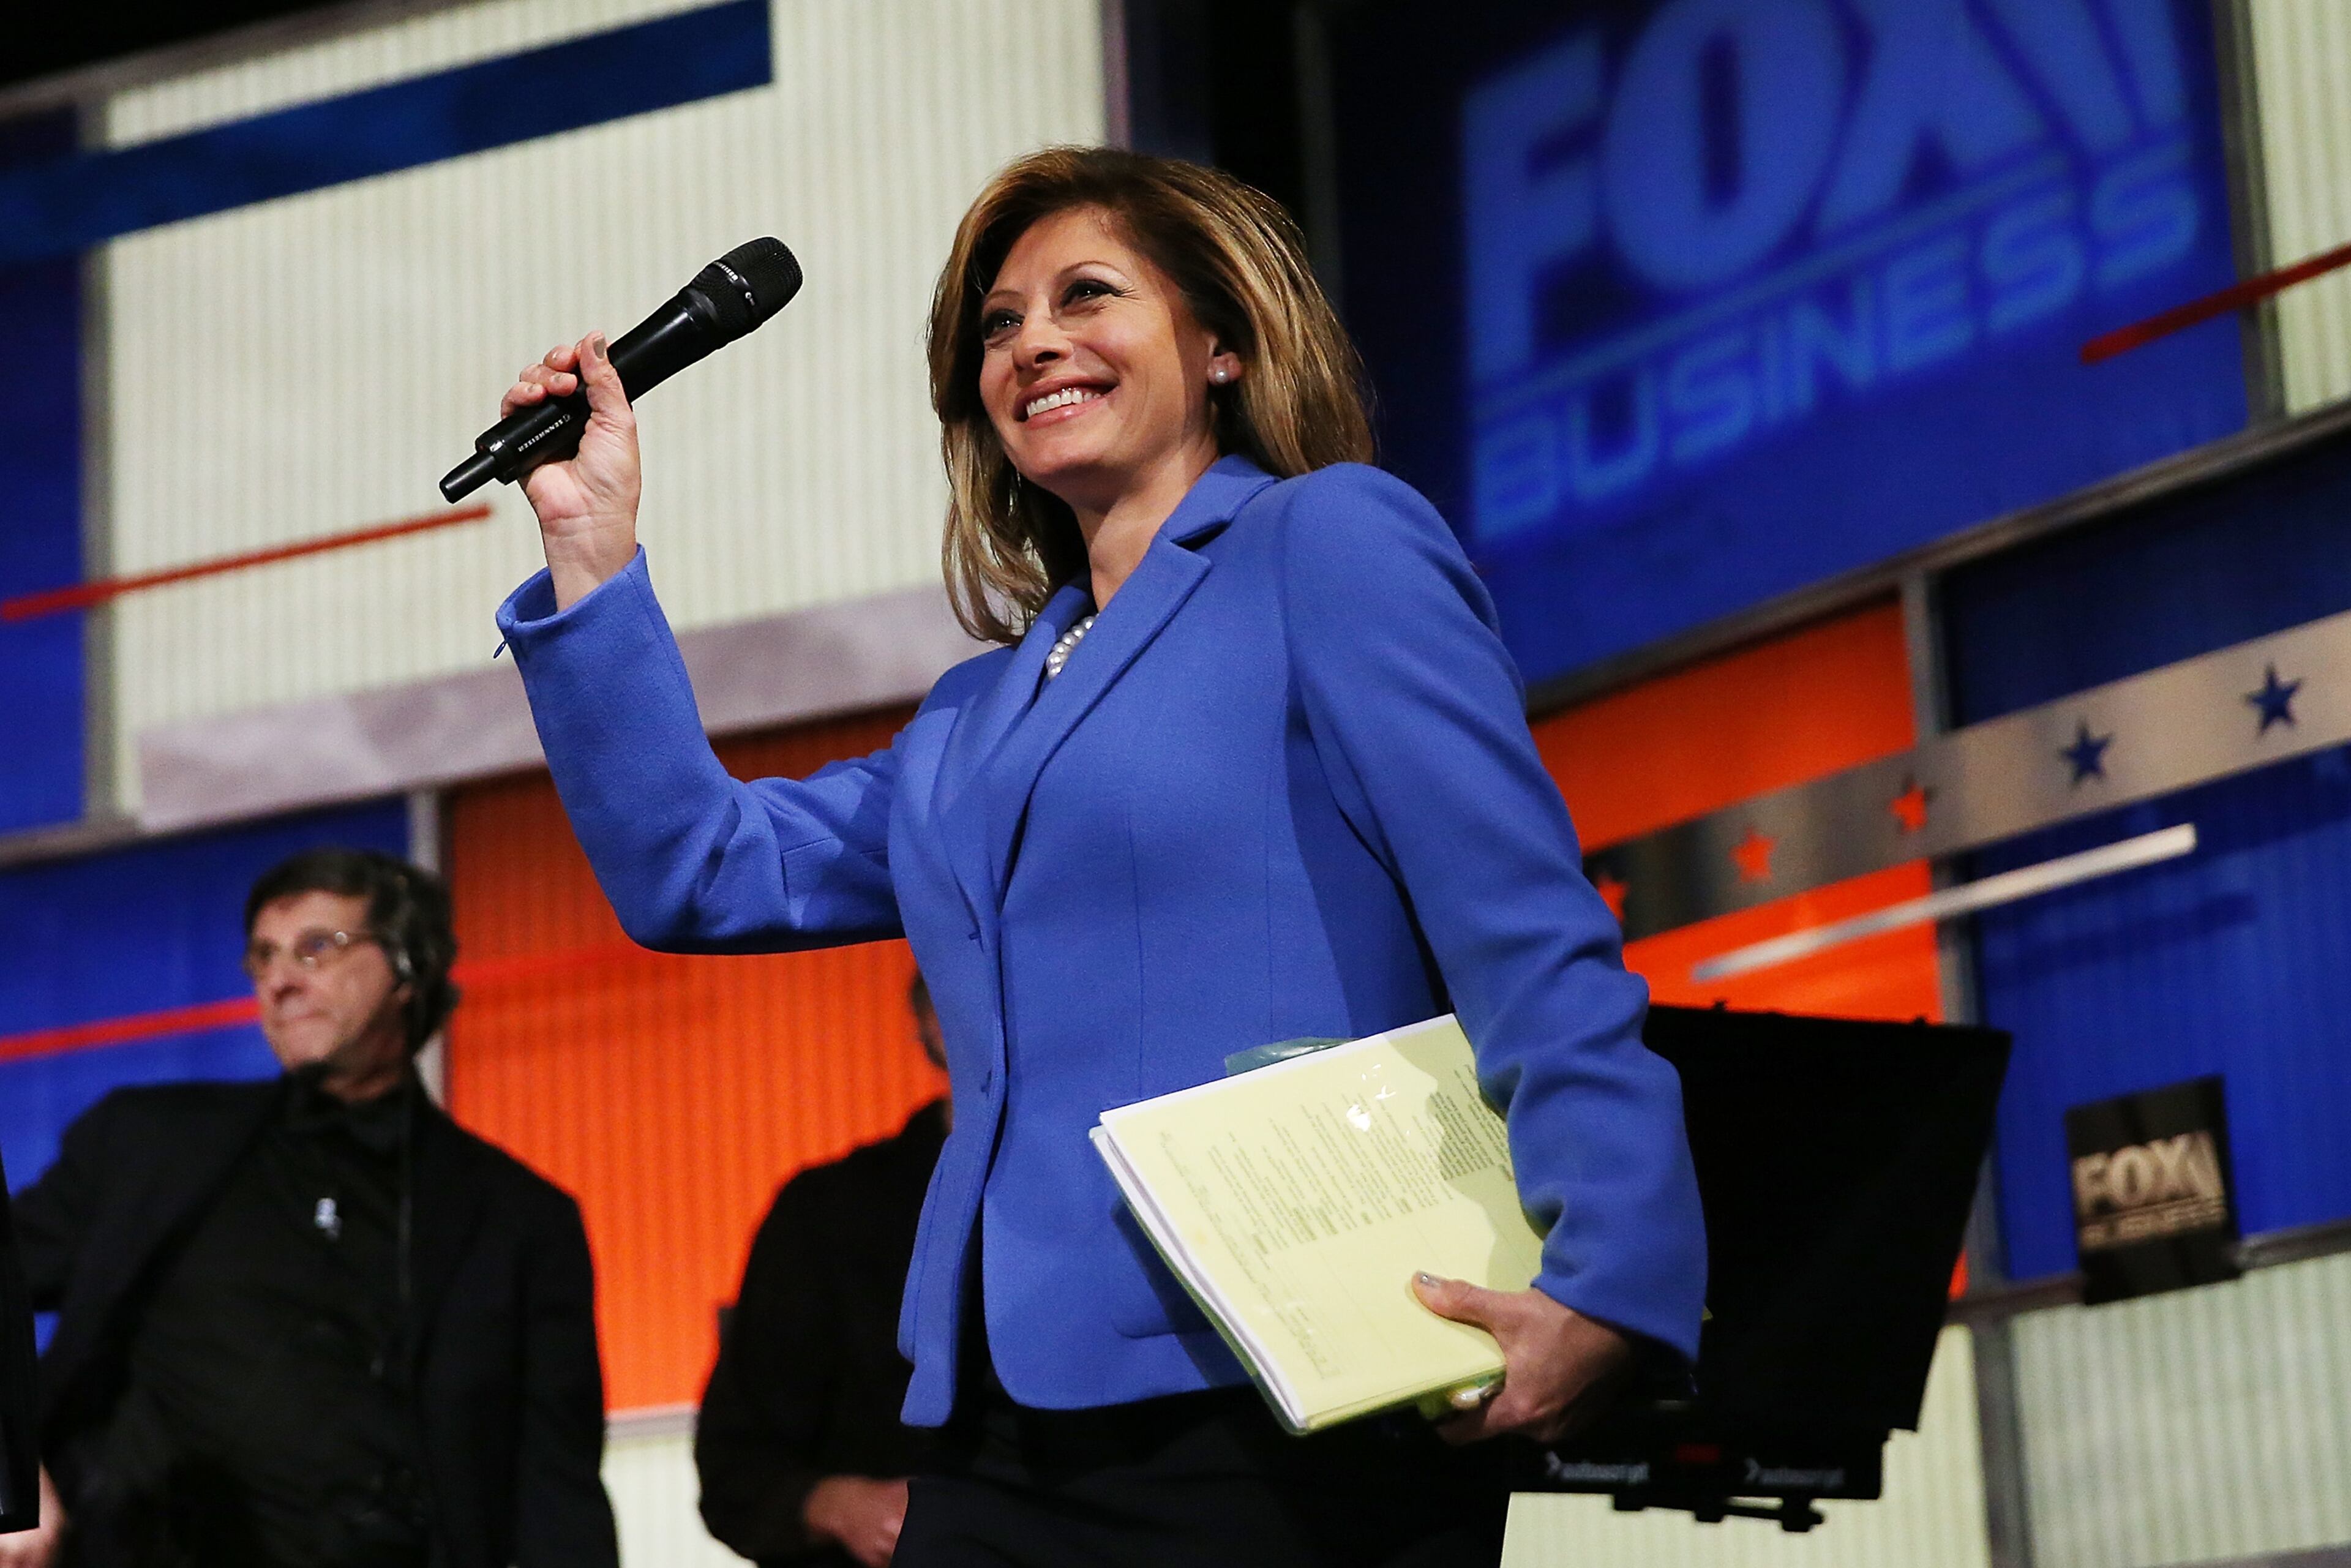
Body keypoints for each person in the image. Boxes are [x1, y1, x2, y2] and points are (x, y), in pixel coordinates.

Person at [491, 146, 1706, 1564]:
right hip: (996, 1425)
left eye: (1085, 296)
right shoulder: (974, 718)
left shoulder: (1325, 543)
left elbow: (1523, 922)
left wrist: (1608, 1268)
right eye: (999, 324)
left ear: (1221, 345)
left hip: (1285, 1401)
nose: (1035, 342)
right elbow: (696, 867)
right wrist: (593, 549)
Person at [2, 849, 618, 1568]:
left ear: (408, 967)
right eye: (263, 957)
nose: (281, 981)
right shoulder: (147, 1144)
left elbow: (559, 1494)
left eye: (316, 948)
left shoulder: (520, 1219)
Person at [695, 973, 948, 1568]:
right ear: (933, 1022)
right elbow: (737, 1465)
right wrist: (837, 1502)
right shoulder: (830, 1213)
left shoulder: (1130, 1180)